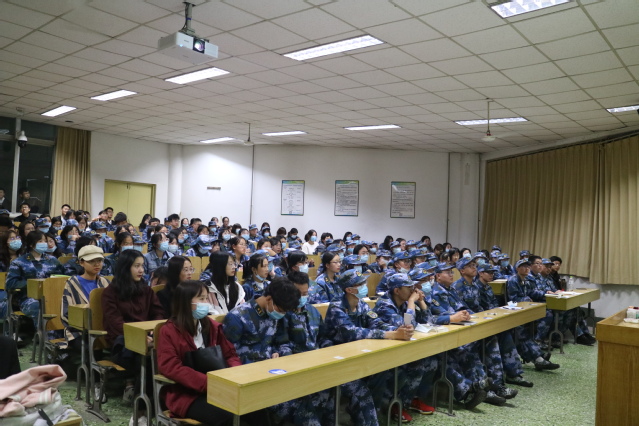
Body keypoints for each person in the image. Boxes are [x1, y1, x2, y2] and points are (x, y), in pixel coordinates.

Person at [324, 270, 414, 424]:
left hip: (359, 354)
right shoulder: (336, 307)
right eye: (360, 284)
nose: (365, 286)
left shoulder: (361, 305)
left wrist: (397, 330)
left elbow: (376, 322)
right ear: (349, 289)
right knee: (361, 389)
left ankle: (368, 414)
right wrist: (391, 334)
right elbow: (352, 333)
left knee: (383, 371)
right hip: (339, 360)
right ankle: (365, 417)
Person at [157, 280, 249, 426]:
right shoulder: (169, 331)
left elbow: (230, 354)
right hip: (186, 394)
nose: (206, 303)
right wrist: (208, 383)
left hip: (220, 387)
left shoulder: (212, 326)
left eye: (206, 298)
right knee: (226, 416)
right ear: (186, 302)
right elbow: (171, 367)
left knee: (255, 408)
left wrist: (233, 375)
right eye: (201, 299)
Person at [101, 249, 164, 421]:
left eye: (142, 266)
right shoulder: (110, 293)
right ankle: (140, 411)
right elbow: (116, 323)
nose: (141, 270)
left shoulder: (146, 290)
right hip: (123, 345)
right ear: (125, 267)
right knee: (149, 362)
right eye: (136, 266)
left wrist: (151, 331)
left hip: (148, 339)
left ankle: (159, 404)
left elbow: (158, 313)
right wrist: (139, 337)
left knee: (163, 358)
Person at [452, 258, 520, 401]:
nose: (474, 268)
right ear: (462, 271)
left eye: (474, 265)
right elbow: (461, 311)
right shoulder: (457, 287)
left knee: (495, 339)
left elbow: (480, 307)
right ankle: (485, 389)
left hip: (477, 324)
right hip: (464, 328)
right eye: (470, 266)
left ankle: (498, 386)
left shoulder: (475, 286)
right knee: (471, 349)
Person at [372, 273, 439, 419]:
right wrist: (411, 302)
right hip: (384, 352)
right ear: (397, 290)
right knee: (410, 367)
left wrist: (421, 302)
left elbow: (428, 321)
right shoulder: (385, 305)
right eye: (409, 287)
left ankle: (408, 401)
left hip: (401, 348)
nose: (413, 290)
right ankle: (394, 405)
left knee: (431, 362)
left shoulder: (403, 301)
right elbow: (408, 326)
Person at [506, 259, 562, 365]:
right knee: (522, 333)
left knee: (525, 334)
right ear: (517, 268)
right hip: (515, 312)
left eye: (528, 266)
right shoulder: (513, 280)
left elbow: (532, 292)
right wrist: (527, 299)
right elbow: (513, 299)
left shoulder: (526, 279)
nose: (527, 268)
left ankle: (538, 357)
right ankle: (538, 357)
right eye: (524, 266)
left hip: (525, 310)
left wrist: (546, 293)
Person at [3, 230, 64, 326]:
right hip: (28, 298)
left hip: (51, 295)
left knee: (64, 304)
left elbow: (62, 277)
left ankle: (62, 333)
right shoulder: (19, 262)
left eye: (45, 241)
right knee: (37, 306)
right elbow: (10, 283)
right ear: (31, 244)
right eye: (40, 241)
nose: (44, 243)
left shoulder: (53, 260)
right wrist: (32, 284)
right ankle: (43, 333)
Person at [61, 246, 110, 348]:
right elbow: (65, 314)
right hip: (79, 331)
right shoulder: (72, 283)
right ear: (81, 262)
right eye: (91, 261)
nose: (97, 264)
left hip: (103, 328)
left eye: (99, 260)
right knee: (89, 346)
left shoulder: (105, 282)